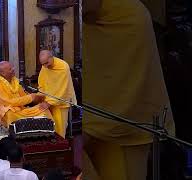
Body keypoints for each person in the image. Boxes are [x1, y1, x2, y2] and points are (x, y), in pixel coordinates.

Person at [82, 0, 175, 180]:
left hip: (122, 131)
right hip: (92, 126)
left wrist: (87, 130)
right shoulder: (88, 24)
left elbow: (123, 97)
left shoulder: (130, 21)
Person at [0, 61, 53, 127]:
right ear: (3, 73)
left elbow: (24, 97)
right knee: (9, 113)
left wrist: (36, 98)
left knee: (43, 109)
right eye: (10, 69)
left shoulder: (15, 82)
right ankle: (15, 131)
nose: (13, 69)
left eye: (12, 67)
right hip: (8, 112)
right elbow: (8, 102)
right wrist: (30, 98)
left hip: (21, 110)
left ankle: (48, 130)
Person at [38, 50, 77, 138]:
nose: (45, 66)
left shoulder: (63, 66)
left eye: (47, 63)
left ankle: (60, 145)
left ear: (52, 57)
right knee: (49, 125)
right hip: (48, 99)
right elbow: (42, 81)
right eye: (43, 64)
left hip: (61, 101)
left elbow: (62, 88)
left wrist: (49, 102)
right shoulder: (45, 65)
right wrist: (41, 95)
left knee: (60, 127)